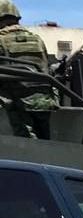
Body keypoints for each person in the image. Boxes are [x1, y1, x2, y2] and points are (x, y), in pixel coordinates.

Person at [0, 0, 57, 139]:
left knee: (26, 144)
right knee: (45, 142)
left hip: (15, 103)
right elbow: (46, 68)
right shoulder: (37, 40)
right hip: (42, 102)